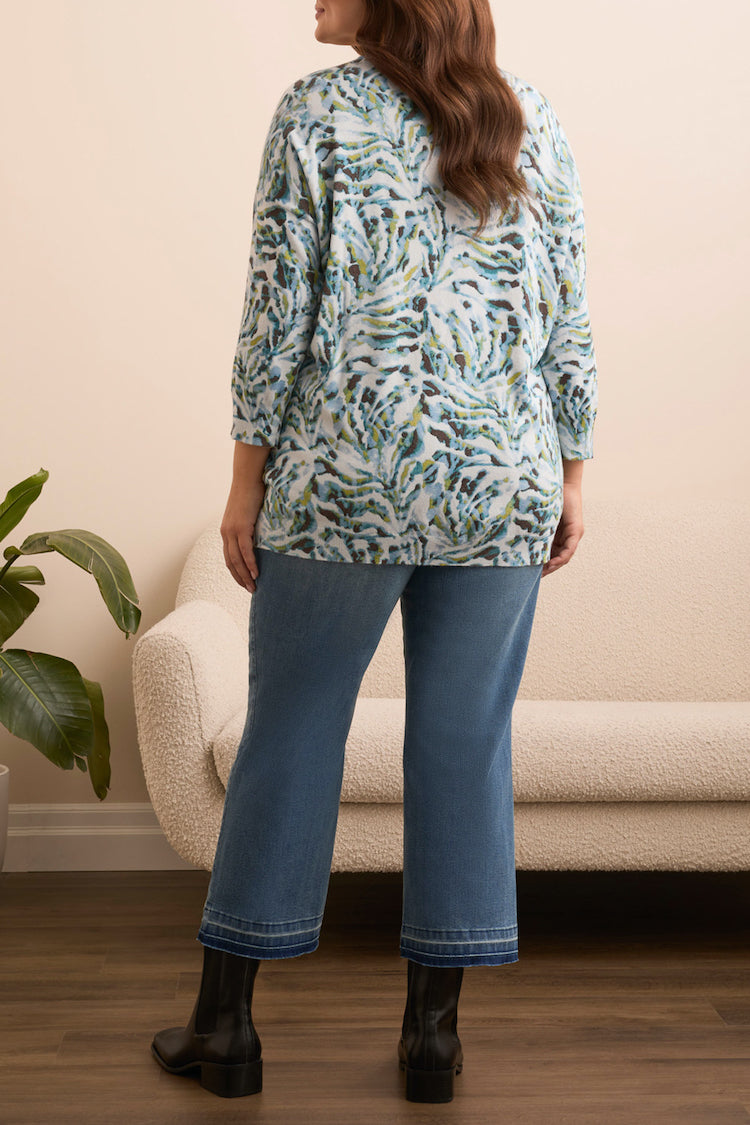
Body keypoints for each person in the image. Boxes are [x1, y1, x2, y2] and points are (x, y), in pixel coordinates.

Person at [151, 0, 598, 1105]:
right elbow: (568, 311)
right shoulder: (529, 118)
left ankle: (226, 1027)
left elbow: (276, 313)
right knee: (464, 744)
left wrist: (247, 480)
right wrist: (572, 471)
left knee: (292, 730)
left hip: (347, 478)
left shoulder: (316, 114)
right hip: (501, 481)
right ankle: (433, 1042)